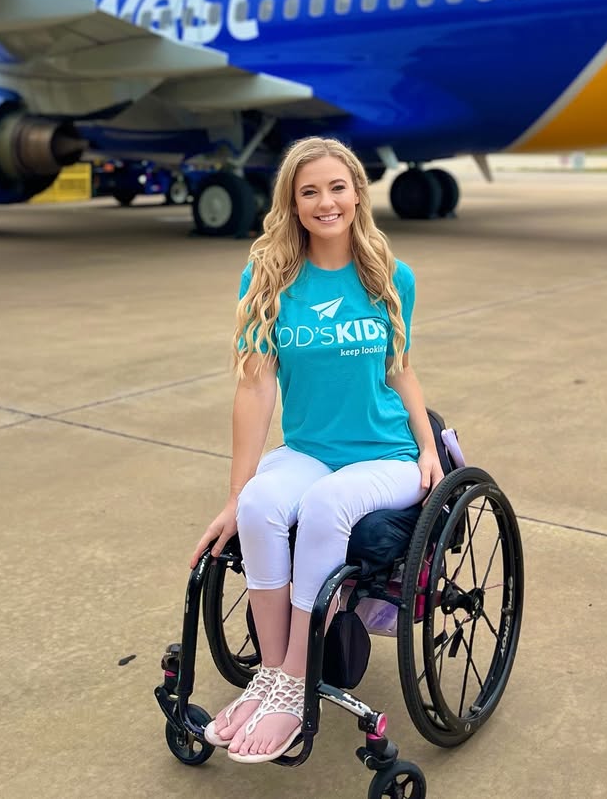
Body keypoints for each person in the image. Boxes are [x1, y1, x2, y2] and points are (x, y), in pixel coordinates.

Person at [189, 137, 443, 765]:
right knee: (259, 505)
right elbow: (255, 387)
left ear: (357, 193)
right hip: (309, 449)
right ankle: (271, 674)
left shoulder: (391, 276)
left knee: (329, 504)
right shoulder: (268, 278)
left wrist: (428, 445)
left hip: (385, 455)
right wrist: (234, 495)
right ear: (292, 203)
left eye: (337, 188)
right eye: (309, 192)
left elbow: (400, 367)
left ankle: (297, 681)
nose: (325, 202)